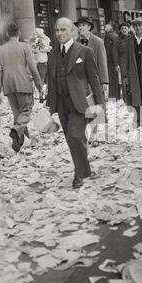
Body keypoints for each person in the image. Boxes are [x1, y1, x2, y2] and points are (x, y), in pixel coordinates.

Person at [47, 18, 104, 189]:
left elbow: (94, 79)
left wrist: (100, 106)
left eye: (63, 29)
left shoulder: (84, 51)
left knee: (74, 136)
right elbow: (52, 80)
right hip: (61, 103)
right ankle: (85, 169)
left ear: (72, 30)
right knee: (72, 138)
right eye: (57, 30)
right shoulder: (53, 54)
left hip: (79, 103)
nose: (59, 34)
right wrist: (49, 106)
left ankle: (79, 174)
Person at [0, 23, 43, 152]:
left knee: (17, 114)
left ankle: (19, 142)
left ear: (7, 34)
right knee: (26, 111)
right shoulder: (25, 47)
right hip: (23, 84)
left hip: (8, 87)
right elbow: (33, 68)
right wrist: (39, 85)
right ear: (19, 34)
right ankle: (16, 131)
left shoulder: (0, 50)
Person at [75, 16, 109, 96]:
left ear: (89, 27)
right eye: (79, 26)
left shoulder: (98, 42)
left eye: (83, 25)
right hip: (81, 82)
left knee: (96, 105)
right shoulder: (75, 43)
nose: (80, 28)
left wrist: (104, 81)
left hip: (95, 80)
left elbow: (102, 62)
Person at [116, 23, 132, 103]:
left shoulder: (132, 38)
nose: (124, 30)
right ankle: (126, 100)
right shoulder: (117, 40)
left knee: (132, 80)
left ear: (128, 29)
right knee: (124, 81)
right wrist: (116, 64)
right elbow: (114, 52)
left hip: (132, 61)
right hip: (122, 61)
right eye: (122, 29)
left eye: (125, 28)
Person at [104, 21, 120, 100]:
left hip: (110, 60)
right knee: (115, 78)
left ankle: (112, 96)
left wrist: (106, 59)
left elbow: (108, 49)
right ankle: (117, 96)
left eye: (108, 25)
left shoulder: (108, 36)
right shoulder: (116, 35)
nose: (106, 26)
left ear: (112, 28)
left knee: (111, 79)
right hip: (115, 60)